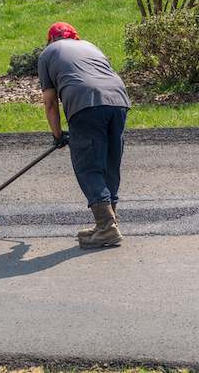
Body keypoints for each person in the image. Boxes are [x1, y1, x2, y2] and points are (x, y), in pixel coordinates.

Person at [38, 22, 131, 248]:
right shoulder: (91, 46)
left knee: (88, 166)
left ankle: (106, 227)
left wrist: (58, 135)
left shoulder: (47, 53)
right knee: (109, 162)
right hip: (119, 101)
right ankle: (109, 223)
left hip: (85, 103)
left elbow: (50, 103)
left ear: (51, 40)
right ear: (75, 37)